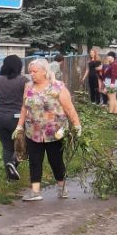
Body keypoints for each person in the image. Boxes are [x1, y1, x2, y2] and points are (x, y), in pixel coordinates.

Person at [15, 57, 82, 201]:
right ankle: (35, 191)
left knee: (56, 161)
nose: (31, 74)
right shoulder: (28, 87)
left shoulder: (58, 87)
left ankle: (62, 188)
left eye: (34, 71)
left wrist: (77, 125)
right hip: (33, 131)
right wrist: (19, 126)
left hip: (55, 133)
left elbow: (69, 109)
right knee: (34, 161)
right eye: (30, 72)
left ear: (44, 71)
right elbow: (24, 108)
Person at [0, 55, 28, 181]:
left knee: (7, 147)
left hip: (0, 119)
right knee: (24, 147)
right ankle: (13, 164)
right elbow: (27, 101)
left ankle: (9, 178)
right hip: (17, 119)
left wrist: (1, 114)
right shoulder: (24, 81)